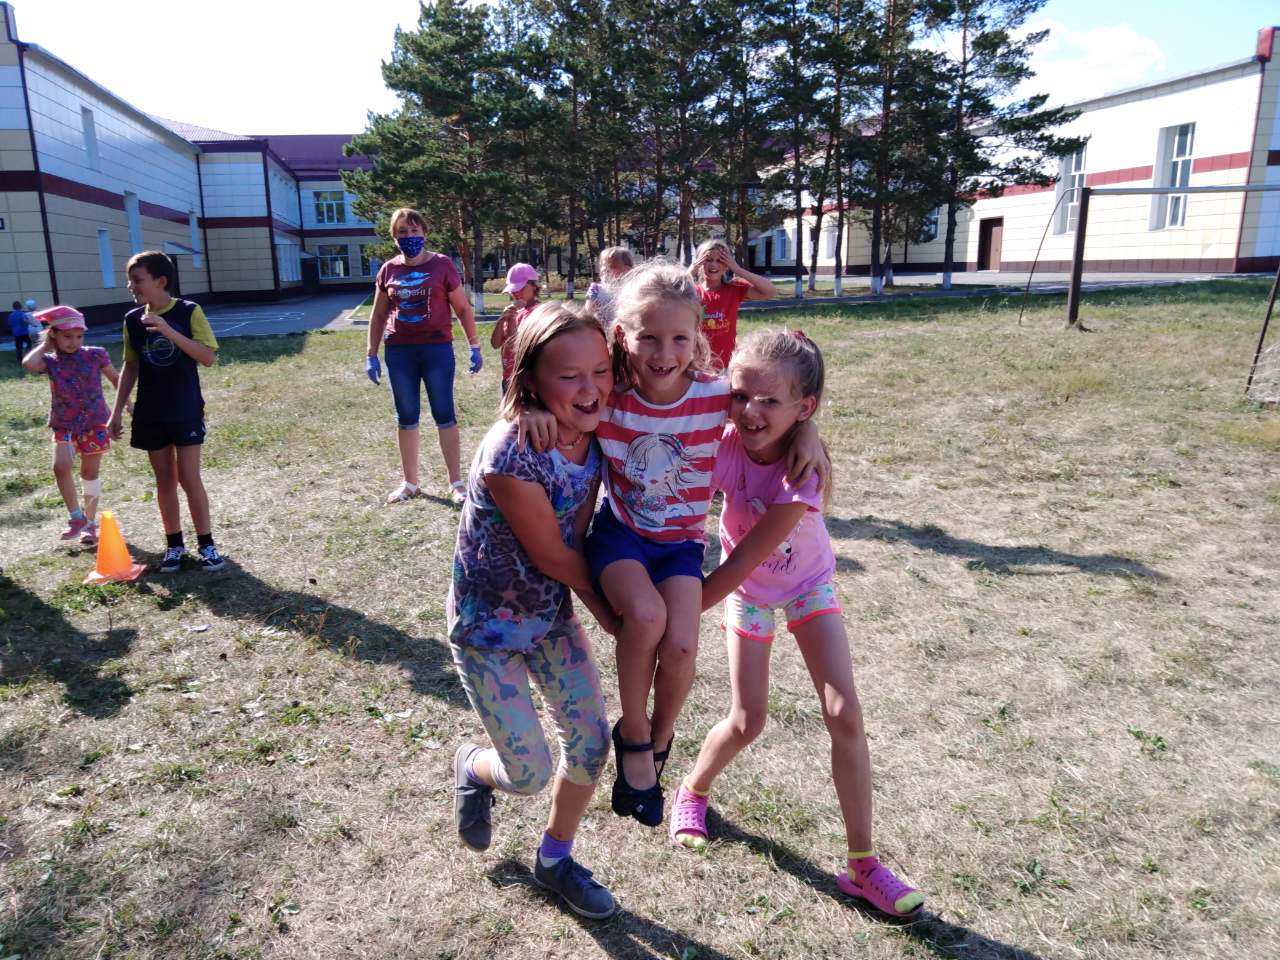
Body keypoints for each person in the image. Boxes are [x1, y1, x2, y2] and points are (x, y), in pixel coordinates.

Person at [521, 261, 826, 829]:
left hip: (681, 546)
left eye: (680, 338)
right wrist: (533, 406)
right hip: (621, 536)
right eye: (649, 338)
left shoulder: (716, 396)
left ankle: (658, 744)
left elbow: (773, 408)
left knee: (683, 645)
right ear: (622, 336)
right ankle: (634, 731)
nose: (665, 353)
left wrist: (809, 431)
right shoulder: (608, 400)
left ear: (698, 335)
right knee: (645, 615)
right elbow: (562, 393)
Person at [668, 329, 924, 918]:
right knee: (747, 720)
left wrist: (682, 612)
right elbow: (684, 412)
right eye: (741, 395)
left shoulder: (804, 468)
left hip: (806, 585)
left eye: (769, 401)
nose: (750, 411)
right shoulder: (724, 445)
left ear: (804, 408)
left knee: (845, 712)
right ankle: (692, 790)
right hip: (751, 598)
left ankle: (863, 865)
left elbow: (742, 559)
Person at [449, 302, 619, 919]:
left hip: (549, 618)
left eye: (600, 371)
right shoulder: (512, 450)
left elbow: (578, 536)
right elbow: (553, 554)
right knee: (527, 773)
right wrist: (611, 614)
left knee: (592, 744)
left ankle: (555, 859)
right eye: (568, 376)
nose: (589, 387)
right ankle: (474, 767)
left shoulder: (595, 439)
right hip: (488, 631)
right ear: (531, 380)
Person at [108, 250, 224, 573]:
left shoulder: (189, 311)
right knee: (165, 480)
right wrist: (116, 412)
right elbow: (130, 366)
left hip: (184, 407)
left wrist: (167, 329)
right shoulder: (132, 319)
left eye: (137, 280)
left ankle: (207, 544)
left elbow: (208, 357)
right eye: (129, 280)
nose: (131, 286)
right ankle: (174, 545)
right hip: (151, 412)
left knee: (189, 476)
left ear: (160, 281)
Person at [365, 207, 483, 505]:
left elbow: (462, 308)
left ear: (425, 233)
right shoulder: (388, 270)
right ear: (394, 238)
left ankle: (456, 483)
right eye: (402, 232)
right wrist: (371, 354)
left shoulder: (442, 265)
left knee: (444, 414)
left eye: (414, 231)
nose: (409, 237)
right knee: (406, 417)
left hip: (436, 350)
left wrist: (474, 345)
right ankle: (410, 483)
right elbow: (378, 315)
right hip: (399, 352)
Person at [22, 306, 125, 546]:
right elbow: (28, 363)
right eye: (67, 336)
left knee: (89, 473)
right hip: (64, 424)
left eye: (79, 336)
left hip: (95, 422)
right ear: (54, 335)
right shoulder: (50, 361)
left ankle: (90, 523)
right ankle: (76, 518)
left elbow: (115, 378)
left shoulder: (96, 354)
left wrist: (126, 406)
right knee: (60, 467)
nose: (74, 342)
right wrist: (47, 345)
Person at [690, 239, 776, 369]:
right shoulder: (692, 292)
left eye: (720, 260)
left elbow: (770, 292)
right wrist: (692, 270)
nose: (714, 265)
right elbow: (671, 292)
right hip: (697, 366)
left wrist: (737, 269)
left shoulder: (734, 288)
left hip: (726, 366)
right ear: (699, 263)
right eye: (708, 260)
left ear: (727, 265)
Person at [490, 262, 540, 397]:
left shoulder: (538, 313)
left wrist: (511, 319)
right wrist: (502, 320)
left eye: (521, 288)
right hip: (508, 376)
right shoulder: (514, 311)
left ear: (534, 286)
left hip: (526, 378)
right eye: (513, 290)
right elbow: (495, 344)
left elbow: (514, 346)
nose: (516, 293)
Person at [585, 246, 634, 325]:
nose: (604, 269)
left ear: (627, 269)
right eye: (602, 265)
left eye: (611, 266)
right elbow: (588, 312)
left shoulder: (633, 289)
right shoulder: (595, 289)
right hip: (601, 328)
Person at [8, 300, 32, 368]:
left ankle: (19, 360)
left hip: (16, 333)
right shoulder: (22, 313)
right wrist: (29, 323)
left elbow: (9, 323)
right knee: (29, 342)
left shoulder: (11, 315)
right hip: (23, 332)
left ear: (13, 307)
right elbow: (25, 321)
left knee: (18, 347)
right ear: (20, 306)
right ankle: (27, 352)